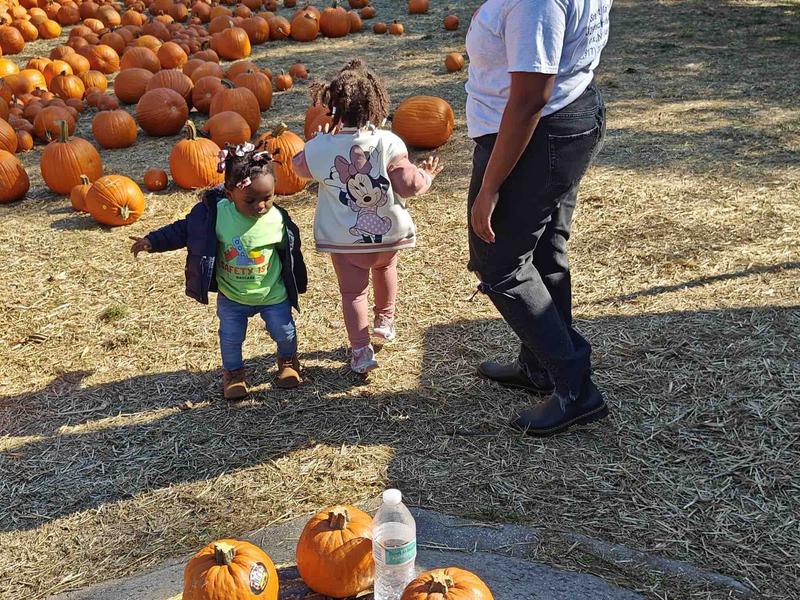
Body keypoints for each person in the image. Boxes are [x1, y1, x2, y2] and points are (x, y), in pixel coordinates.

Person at [465, 0, 612, 435]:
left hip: (536, 136)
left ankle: (575, 387)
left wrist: (490, 187)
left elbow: (530, 98)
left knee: (501, 264)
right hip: (566, 119)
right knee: (544, 251)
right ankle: (541, 367)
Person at [292, 59, 443, 375]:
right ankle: (385, 321)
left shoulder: (321, 147)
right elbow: (408, 184)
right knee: (386, 267)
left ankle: (361, 352)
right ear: (378, 106)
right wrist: (426, 176)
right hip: (387, 235)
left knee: (353, 293)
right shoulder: (388, 141)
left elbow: (298, 167)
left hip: (346, 243)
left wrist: (316, 141)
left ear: (333, 108)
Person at [130, 142, 308, 401]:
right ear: (229, 193)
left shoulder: (278, 219)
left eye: (267, 198)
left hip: (273, 294)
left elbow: (292, 254)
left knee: (285, 331)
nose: (260, 206)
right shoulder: (215, 215)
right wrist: (153, 241)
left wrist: (297, 281)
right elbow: (184, 230)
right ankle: (234, 375)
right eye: (251, 200)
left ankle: (289, 363)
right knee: (230, 337)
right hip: (233, 296)